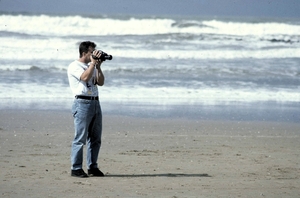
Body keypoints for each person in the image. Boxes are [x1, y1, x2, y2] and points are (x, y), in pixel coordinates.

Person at [67, 41, 105, 178]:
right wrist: (93, 64)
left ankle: (92, 167)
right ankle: (76, 168)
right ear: (84, 53)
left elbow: (100, 82)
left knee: (95, 138)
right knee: (80, 138)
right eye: (92, 52)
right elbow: (84, 78)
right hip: (82, 103)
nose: (94, 54)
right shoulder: (74, 66)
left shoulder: (92, 65)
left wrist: (98, 67)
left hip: (95, 102)